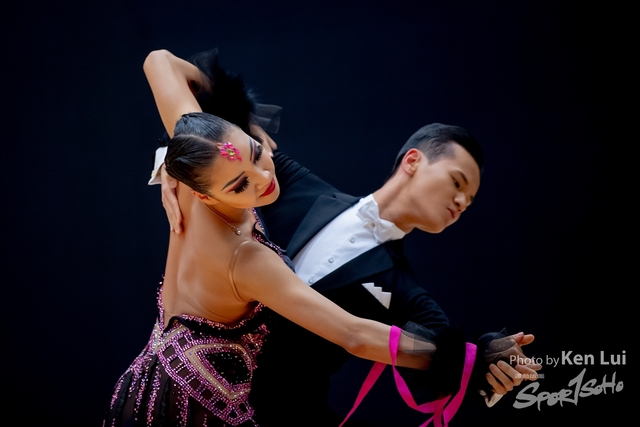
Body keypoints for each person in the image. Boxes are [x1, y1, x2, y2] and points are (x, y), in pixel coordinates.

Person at [104, 49, 537, 427]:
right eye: (457, 182)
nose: (262, 177)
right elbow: (355, 335)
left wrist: (484, 360)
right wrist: (176, 157)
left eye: (258, 153)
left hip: (185, 393)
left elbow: (443, 352)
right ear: (412, 161)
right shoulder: (272, 210)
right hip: (195, 408)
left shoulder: (405, 291)